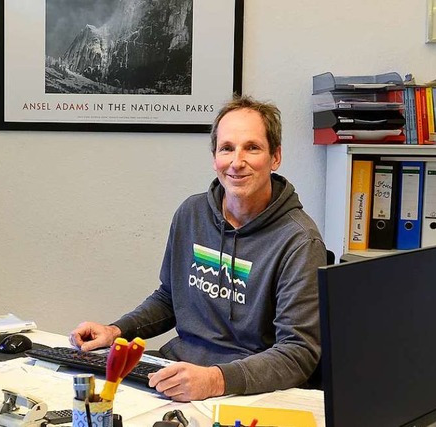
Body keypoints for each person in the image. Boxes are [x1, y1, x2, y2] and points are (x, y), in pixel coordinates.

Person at [70, 95, 327, 402]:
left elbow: (298, 353)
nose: (236, 161)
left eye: (252, 147)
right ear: (214, 156)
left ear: (275, 157)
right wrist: (116, 331)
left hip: (245, 390)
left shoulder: (299, 241)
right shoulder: (191, 214)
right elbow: (169, 299)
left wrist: (214, 380)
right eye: (227, 148)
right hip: (178, 372)